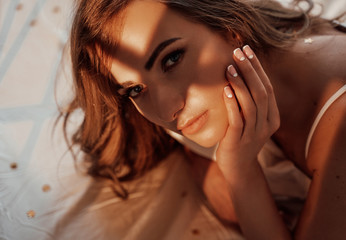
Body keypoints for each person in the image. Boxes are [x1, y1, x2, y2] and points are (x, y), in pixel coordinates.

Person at [63, 0, 346, 239]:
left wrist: (240, 176)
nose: (165, 111)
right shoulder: (238, 67)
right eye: (135, 90)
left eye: (172, 58)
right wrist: (209, 171)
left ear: (229, 28)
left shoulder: (339, 125)